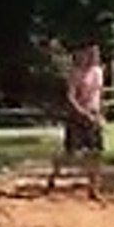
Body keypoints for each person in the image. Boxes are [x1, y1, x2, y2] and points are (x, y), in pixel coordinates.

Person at [47, 42, 105, 200]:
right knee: (70, 152)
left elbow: (100, 94)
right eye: (89, 52)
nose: (93, 55)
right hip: (77, 116)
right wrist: (83, 113)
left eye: (95, 53)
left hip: (94, 114)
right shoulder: (75, 73)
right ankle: (53, 176)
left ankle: (93, 189)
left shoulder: (98, 72)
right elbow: (70, 97)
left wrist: (100, 114)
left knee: (96, 152)